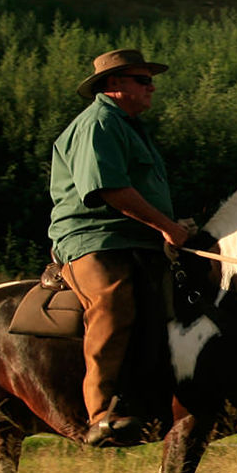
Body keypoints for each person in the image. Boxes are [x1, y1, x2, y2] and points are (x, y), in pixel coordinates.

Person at [47, 48, 193, 447]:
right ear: (113, 85)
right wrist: (166, 226)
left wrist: (173, 226)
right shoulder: (98, 124)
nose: (152, 87)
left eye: (150, 80)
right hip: (94, 239)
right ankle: (101, 414)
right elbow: (109, 188)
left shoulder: (130, 127)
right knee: (112, 302)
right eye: (142, 80)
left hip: (140, 239)